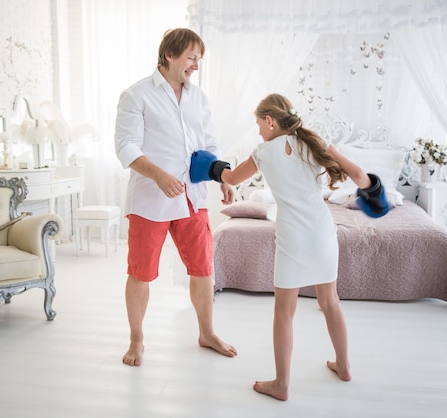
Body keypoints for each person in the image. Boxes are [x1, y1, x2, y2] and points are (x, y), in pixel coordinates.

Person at [192, 93, 389, 400]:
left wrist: (206, 163)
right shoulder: (315, 144)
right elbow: (361, 177)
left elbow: (229, 176)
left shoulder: (262, 152)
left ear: (270, 121)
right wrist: (375, 194)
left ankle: (282, 384)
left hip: (293, 237)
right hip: (323, 232)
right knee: (330, 302)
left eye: (258, 123)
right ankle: (345, 365)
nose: (257, 130)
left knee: (284, 312)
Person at [114, 28, 237, 367]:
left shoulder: (198, 98)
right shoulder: (136, 95)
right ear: (170, 55)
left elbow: (209, 144)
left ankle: (207, 332)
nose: (196, 65)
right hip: (150, 200)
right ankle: (137, 340)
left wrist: (224, 176)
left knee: (202, 268)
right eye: (191, 58)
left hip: (191, 198)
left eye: (199, 59)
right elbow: (125, 146)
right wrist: (157, 175)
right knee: (141, 272)